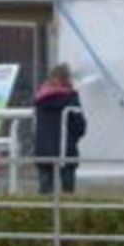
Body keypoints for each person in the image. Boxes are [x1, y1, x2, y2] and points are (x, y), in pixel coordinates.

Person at [32, 63, 87, 194]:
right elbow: (80, 126)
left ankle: (43, 212)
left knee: (45, 191)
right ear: (67, 78)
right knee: (67, 191)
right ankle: (66, 212)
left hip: (43, 149)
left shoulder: (40, 98)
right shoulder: (71, 98)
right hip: (65, 149)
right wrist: (74, 138)